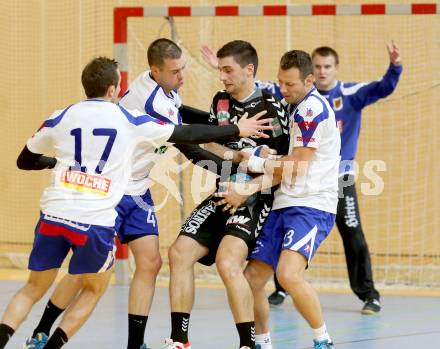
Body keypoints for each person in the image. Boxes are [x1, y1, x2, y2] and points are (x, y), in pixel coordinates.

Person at [0, 56, 272, 349]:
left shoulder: (155, 89)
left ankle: (135, 343)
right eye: (176, 71)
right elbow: (187, 142)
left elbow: (181, 113)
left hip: (131, 192)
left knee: (149, 262)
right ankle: (42, 332)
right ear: (116, 87)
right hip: (112, 192)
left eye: (182, 69)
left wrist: (224, 124)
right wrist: (235, 149)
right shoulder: (142, 109)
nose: (182, 76)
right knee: (88, 278)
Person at [165, 40, 289, 349]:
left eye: (228, 70)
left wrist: (253, 171)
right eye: (220, 70)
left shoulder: (272, 106)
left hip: (257, 196)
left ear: (249, 70)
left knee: (227, 262)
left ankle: (248, 344)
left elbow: (285, 164)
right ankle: (180, 340)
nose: (222, 77)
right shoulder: (220, 101)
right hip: (224, 189)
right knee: (178, 253)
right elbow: (212, 145)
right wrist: (241, 154)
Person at [216, 50, 340, 349]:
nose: (283, 90)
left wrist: (256, 163)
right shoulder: (294, 105)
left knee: (287, 274)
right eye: (281, 83)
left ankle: (323, 340)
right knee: (252, 278)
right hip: (284, 201)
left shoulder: (310, 109)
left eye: (290, 85)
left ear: (309, 80)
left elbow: (297, 166)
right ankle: (262, 342)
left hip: (311, 205)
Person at [269, 42, 402, 312]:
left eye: (327, 66)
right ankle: (281, 288)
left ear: (336, 68)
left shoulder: (350, 94)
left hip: (340, 179)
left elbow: (383, 87)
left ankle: (369, 294)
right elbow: (263, 86)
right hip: (304, 178)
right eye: (317, 66)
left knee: (353, 234)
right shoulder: (295, 94)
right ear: (310, 72)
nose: (322, 71)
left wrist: (395, 67)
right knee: (284, 226)